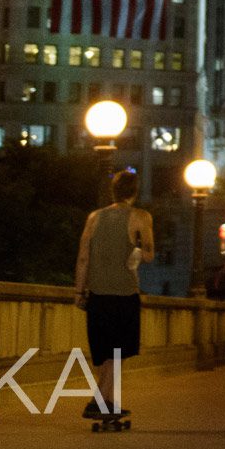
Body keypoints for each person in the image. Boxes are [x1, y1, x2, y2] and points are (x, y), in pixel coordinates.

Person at [74, 169, 153, 421]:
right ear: (135, 192)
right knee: (118, 352)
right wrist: (137, 252)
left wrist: (79, 290)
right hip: (124, 292)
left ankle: (107, 402)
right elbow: (149, 254)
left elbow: (83, 257)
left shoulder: (94, 217)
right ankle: (97, 401)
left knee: (106, 352)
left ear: (113, 191)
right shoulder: (141, 216)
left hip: (97, 293)